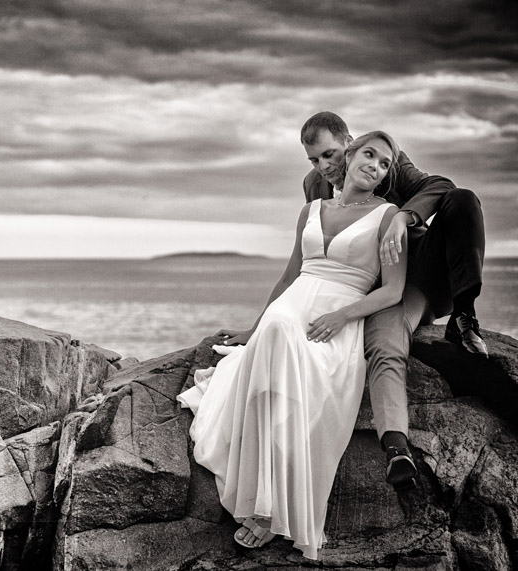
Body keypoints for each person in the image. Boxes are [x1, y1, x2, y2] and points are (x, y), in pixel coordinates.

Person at [178, 131, 407, 560]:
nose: (375, 165)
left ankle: (268, 509)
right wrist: (253, 327)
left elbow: (393, 291)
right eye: (370, 155)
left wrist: (343, 315)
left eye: (384, 163)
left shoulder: (389, 217)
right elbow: (289, 276)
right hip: (294, 304)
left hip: (339, 316)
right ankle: (263, 500)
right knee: (279, 328)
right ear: (351, 154)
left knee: (291, 356)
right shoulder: (312, 209)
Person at [297, 111, 487, 489]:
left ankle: (464, 316)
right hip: (376, 287)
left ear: (349, 144)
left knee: (462, 199)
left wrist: (403, 217)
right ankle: (397, 450)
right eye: (315, 159)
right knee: (384, 346)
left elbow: (441, 186)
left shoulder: (387, 161)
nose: (325, 166)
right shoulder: (314, 187)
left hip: (419, 273)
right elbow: (318, 253)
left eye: (331, 154)